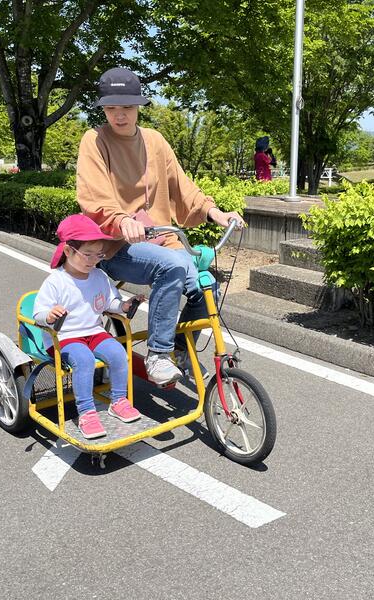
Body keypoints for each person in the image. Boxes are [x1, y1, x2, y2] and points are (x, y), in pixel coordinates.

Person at [76, 67, 244, 386]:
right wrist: (122, 220)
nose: (119, 115)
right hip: (115, 244)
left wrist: (214, 211)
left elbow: (182, 186)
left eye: (127, 107)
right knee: (172, 266)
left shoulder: (154, 141)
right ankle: (158, 354)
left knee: (207, 286)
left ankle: (180, 350)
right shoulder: (94, 141)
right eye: (111, 108)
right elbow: (93, 195)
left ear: (138, 106)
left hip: (162, 239)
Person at [33, 214, 144, 440]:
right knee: (83, 359)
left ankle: (118, 401)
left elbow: (110, 303)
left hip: (93, 332)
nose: (94, 260)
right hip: (63, 337)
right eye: (88, 254)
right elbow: (38, 315)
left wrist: (124, 306)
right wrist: (50, 315)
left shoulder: (99, 276)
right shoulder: (56, 281)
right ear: (68, 251)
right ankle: (86, 413)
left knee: (118, 353)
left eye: (99, 254)